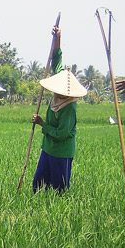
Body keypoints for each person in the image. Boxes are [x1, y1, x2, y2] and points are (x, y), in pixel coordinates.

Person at [32, 27, 86, 193]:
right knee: (38, 184)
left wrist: (43, 124)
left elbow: (62, 133)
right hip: (48, 147)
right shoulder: (57, 97)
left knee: (59, 188)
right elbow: (57, 60)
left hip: (61, 151)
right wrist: (58, 37)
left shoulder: (69, 107)